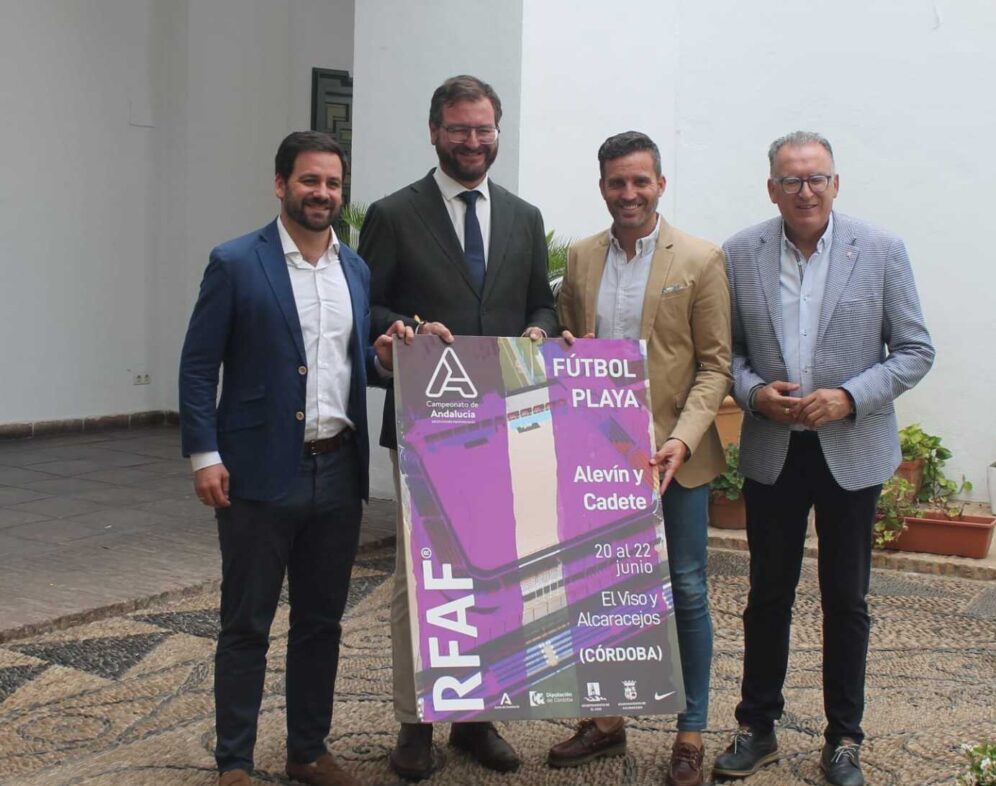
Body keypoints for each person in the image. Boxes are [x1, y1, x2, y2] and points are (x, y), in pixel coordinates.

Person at [179, 131, 409, 786]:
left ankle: (308, 751)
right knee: (246, 624)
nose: (322, 194)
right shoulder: (235, 263)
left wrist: (383, 360)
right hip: (256, 475)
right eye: (310, 181)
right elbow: (198, 367)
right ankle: (235, 763)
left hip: (337, 473)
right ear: (281, 185)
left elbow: (350, 361)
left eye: (333, 184)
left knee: (320, 623)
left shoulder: (355, 269)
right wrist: (204, 454)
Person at [711, 131, 934, 786]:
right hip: (774, 448)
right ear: (771, 188)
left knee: (846, 598)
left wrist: (849, 397)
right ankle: (757, 728)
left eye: (815, 179)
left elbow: (915, 349)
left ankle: (844, 739)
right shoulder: (740, 253)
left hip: (850, 449)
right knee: (767, 595)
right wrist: (753, 392)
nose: (804, 191)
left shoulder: (883, 250)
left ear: (835, 183)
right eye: (790, 180)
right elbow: (724, 353)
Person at [358, 74, 557, 780]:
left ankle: (476, 717)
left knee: (495, 576)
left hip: (506, 429)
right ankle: (415, 722)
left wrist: (539, 329)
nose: (472, 142)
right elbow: (368, 308)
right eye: (459, 129)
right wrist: (401, 329)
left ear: (497, 132)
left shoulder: (524, 216)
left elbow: (541, 302)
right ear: (435, 131)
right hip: (425, 428)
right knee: (424, 582)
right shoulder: (393, 212)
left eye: (483, 130)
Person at [544, 131, 731, 786]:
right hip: (598, 459)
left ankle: (690, 729)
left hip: (672, 459)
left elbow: (715, 367)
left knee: (683, 590)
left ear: (660, 184)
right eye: (617, 182)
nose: (629, 193)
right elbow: (575, 349)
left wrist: (679, 440)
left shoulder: (702, 260)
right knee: (599, 591)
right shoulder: (581, 256)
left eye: (640, 181)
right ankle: (605, 720)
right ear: (602, 187)